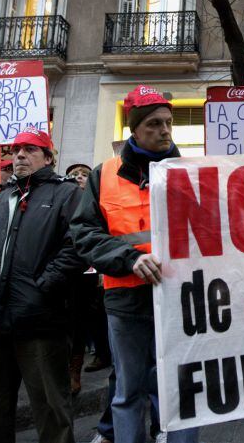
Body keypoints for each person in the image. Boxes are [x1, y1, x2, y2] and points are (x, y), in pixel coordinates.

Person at [71, 85, 198, 443]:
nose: (165, 131)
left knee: (180, 389)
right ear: (134, 130)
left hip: (180, 299)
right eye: (154, 124)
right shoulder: (103, 175)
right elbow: (83, 234)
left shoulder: (190, 173)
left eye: (168, 123)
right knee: (128, 391)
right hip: (126, 302)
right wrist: (129, 259)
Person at [0, 128, 84, 443]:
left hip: (41, 321)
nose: (20, 156)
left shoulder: (66, 194)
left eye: (30, 149)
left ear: (49, 157)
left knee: (51, 410)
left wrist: (44, 287)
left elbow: (78, 246)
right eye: (16, 150)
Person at [65, 162, 110, 395]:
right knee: (72, 320)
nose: (79, 177)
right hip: (69, 270)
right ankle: (71, 368)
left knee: (92, 317)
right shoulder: (62, 200)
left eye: (84, 174)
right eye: (74, 175)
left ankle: (95, 358)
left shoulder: (100, 200)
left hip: (94, 271)